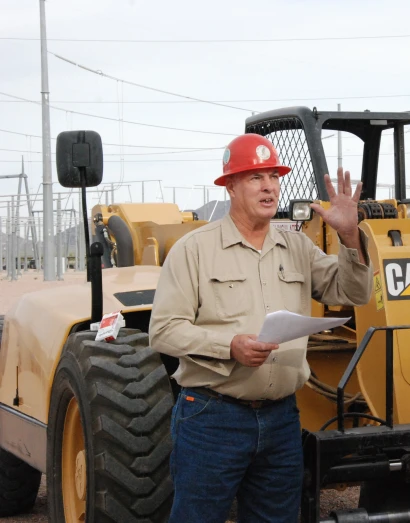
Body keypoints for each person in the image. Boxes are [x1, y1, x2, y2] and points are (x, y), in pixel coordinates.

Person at [149, 133, 372, 523]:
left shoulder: (296, 246)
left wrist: (349, 236)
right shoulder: (194, 249)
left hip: (282, 419)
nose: (269, 186)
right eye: (255, 177)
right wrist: (228, 345)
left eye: (273, 176)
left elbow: (353, 292)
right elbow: (164, 330)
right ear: (230, 186)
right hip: (212, 418)